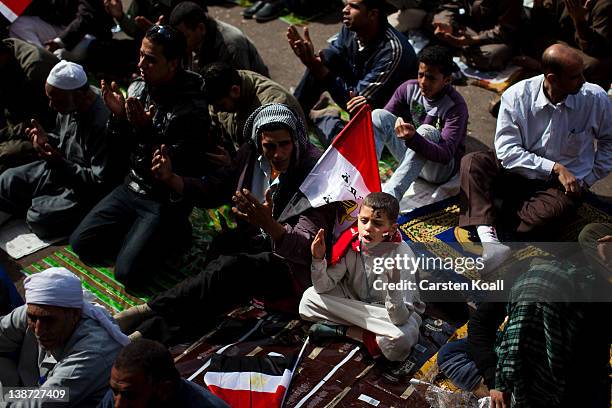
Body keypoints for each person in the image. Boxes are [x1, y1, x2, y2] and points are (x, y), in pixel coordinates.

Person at [114, 104, 336, 344]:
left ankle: (146, 316)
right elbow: (218, 187)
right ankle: (148, 331)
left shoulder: (314, 175)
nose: (278, 154)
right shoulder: (250, 156)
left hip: (289, 266)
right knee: (214, 279)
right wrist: (173, 179)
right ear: (259, 143)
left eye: (284, 145)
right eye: (270, 146)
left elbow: (307, 247)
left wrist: (269, 224)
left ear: (296, 141)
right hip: (254, 241)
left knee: (229, 268)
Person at [69, 25, 212, 290]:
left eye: (150, 59)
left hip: (162, 199)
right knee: (82, 244)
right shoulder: (139, 87)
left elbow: (170, 168)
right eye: (141, 55)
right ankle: (139, 237)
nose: (141, 64)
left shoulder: (192, 108)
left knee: (128, 275)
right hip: (132, 185)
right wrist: (117, 118)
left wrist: (146, 130)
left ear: (173, 64)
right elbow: (119, 149)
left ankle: (173, 233)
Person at [458, 44, 612, 272]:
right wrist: (554, 167)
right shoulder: (516, 96)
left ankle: (489, 209)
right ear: (552, 78)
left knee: (542, 219)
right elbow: (507, 151)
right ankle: (491, 243)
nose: (582, 81)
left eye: (582, 74)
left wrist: (586, 180)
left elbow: (609, 142)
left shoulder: (594, 97)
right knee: (473, 162)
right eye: (575, 76)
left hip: (561, 186)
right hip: (518, 171)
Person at [299, 192, 425, 362]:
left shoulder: (403, 256)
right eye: (364, 221)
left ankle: (343, 331)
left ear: (392, 228)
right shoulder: (350, 242)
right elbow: (323, 287)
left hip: (387, 314)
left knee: (401, 338)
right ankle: (369, 337)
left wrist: (393, 287)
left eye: (377, 223)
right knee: (308, 299)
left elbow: (399, 318)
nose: (368, 228)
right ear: (358, 218)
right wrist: (318, 259)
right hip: (356, 303)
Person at [0, 60, 112, 239]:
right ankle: (42, 200)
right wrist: (46, 141)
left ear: (79, 95)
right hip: (60, 169)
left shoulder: (103, 123)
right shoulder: (69, 104)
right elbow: (63, 141)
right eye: (50, 99)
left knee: (39, 218)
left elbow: (99, 182)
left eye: (56, 100)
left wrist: (59, 163)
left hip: (84, 189)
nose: (52, 106)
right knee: (6, 181)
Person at [287, 0, 417, 144]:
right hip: (358, 88)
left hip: (385, 115)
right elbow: (332, 58)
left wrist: (321, 71)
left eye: (354, 6)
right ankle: (292, 115)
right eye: (346, 4)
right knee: (325, 58)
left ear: (372, 14)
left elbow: (356, 104)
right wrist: (313, 61)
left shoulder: (392, 52)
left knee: (344, 147)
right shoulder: (352, 28)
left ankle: (325, 118)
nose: (345, 10)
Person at [0, 267, 128, 407]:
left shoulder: (91, 354)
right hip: (29, 390)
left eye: (49, 321)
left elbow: (42, 403)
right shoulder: (34, 311)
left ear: (74, 315)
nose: (39, 330)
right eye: (33, 318)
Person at [371, 45, 468, 201]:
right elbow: (385, 120)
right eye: (421, 75)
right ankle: (366, 179)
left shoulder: (456, 107)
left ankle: (389, 198)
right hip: (414, 156)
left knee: (426, 131)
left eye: (430, 77)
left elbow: (445, 155)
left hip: (438, 171)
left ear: (447, 80)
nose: (423, 82)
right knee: (378, 115)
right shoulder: (409, 88)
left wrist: (413, 139)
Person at [99, 339, 229, 408]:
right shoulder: (123, 390)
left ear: (164, 390)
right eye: (114, 391)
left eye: (130, 396)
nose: (117, 405)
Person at [202, 62, 304, 149]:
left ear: (235, 91)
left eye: (221, 105)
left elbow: (278, 156)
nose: (216, 110)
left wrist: (233, 166)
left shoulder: (273, 109)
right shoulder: (222, 92)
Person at [521, 0, 612, 90]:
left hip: (588, 53)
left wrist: (579, 20)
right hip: (557, 43)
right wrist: (538, 5)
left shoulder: (603, 5)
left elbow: (596, 48)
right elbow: (543, 28)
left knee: (594, 65)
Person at [0, 38, 58, 173]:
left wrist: (5, 134)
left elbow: (46, 121)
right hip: (19, 122)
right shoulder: (7, 52)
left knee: (7, 153)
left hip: (50, 130)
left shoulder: (34, 68)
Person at [169, 2, 269, 77]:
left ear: (201, 28)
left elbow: (239, 89)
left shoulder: (231, 46)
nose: (179, 44)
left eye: (184, 37)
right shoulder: (194, 38)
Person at [9, 0, 115, 63]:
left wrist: (58, 42)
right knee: (19, 25)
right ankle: (41, 60)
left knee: (60, 54)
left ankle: (49, 63)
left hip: (87, 35)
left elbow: (86, 17)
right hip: (58, 29)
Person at [433, 0, 524, 71]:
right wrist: (446, 23)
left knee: (492, 55)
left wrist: (474, 39)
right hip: (470, 29)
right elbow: (450, 5)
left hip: (497, 38)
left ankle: (460, 49)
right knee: (435, 24)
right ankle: (462, 48)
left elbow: (504, 31)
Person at [103, 0, 209, 40]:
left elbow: (191, 41)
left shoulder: (186, 5)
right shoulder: (143, 2)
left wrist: (158, 32)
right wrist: (120, 16)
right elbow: (135, 31)